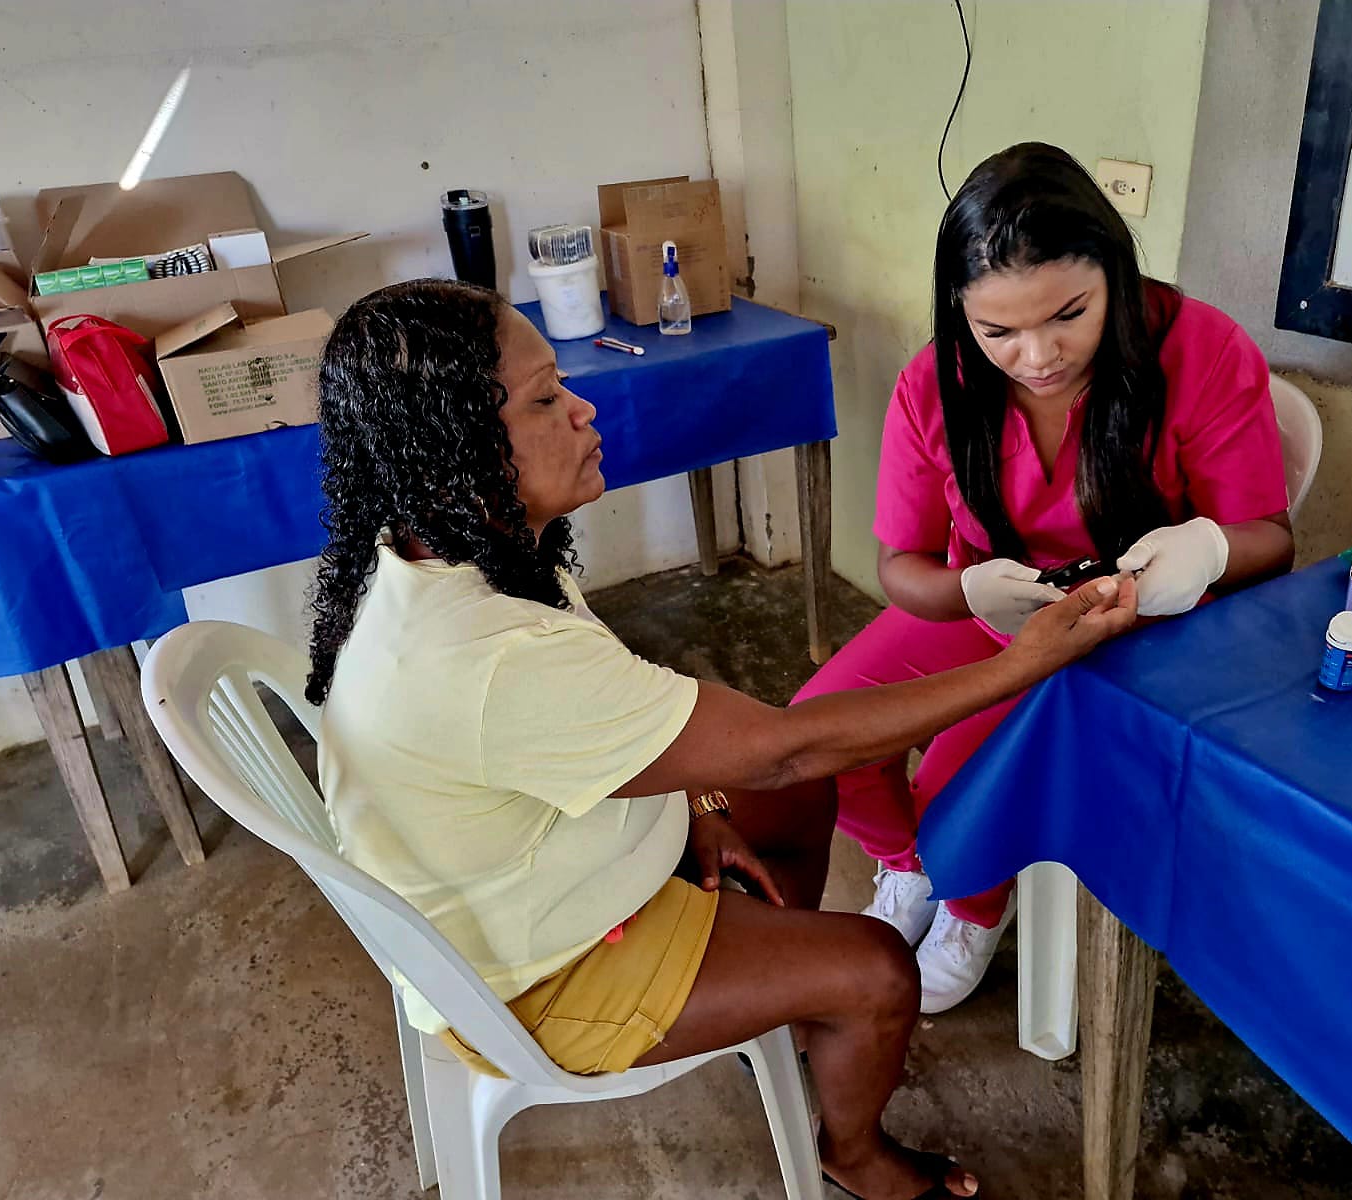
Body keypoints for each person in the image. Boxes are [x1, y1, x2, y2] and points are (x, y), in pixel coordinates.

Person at [307, 278, 1139, 1200]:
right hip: (536, 971)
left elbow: (670, 746)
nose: (583, 408)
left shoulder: (453, 546)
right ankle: (851, 1151)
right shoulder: (489, 656)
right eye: (544, 398)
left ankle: (778, 1002)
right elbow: (783, 744)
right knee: (877, 965)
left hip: (519, 870)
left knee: (791, 790)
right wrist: (1025, 660)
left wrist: (695, 803)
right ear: (453, 447)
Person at [795, 141, 1294, 1015]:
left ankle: (973, 902)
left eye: (1069, 313)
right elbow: (899, 565)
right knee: (819, 738)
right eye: (998, 332)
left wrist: (1208, 551)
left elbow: (1270, 540)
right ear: (961, 316)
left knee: (956, 787)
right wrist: (968, 591)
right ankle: (918, 869)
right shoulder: (936, 382)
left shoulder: (1202, 350)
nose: (1037, 356)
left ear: (1115, 272)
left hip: (1132, 629)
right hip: (992, 612)